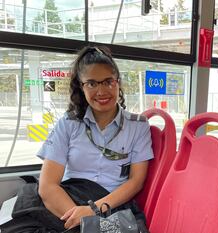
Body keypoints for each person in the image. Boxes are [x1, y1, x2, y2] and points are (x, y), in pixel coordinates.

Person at [1, 46, 153, 232]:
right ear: (81, 87)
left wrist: (92, 210)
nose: (101, 91)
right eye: (92, 83)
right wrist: (82, 221)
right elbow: (48, 185)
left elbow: (136, 182)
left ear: (118, 82)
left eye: (108, 81)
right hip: (67, 200)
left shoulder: (138, 126)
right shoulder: (68, 123)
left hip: (110, 205)